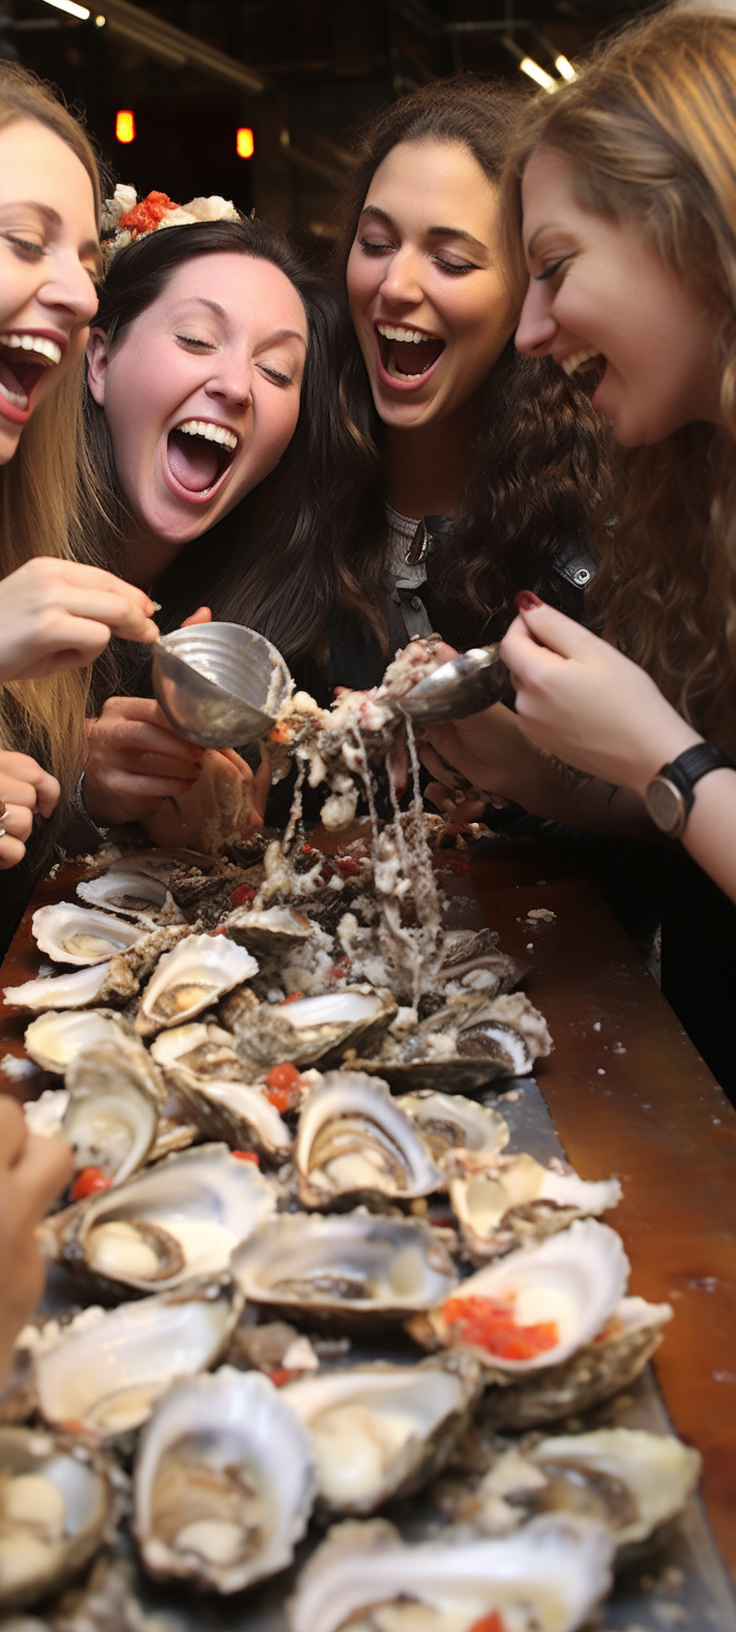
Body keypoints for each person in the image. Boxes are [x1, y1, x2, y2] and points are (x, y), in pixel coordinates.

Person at [420, 5, 736, 1094]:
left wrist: (659, 754)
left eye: (554, 266)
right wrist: (547, 770)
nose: (529, 330)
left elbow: (695, 783)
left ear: (693, 227)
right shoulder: (702, 491)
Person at [327, 76, 614, 695]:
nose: (396, 285)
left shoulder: (598, 528)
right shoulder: (295, 485)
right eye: (375, 243)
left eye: (451, 261)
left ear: (528, 295)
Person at [76, 213, 349, 833]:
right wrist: (76, 787)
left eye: (276, 371)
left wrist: (220, 836)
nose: (236, 385)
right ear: (99, 361)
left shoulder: (274, 639)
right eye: (197, 339)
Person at [0, 65, 159, 887]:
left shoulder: (30, 527)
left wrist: (95, 794)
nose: (80, 295)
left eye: (87, 262)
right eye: (26, 242)